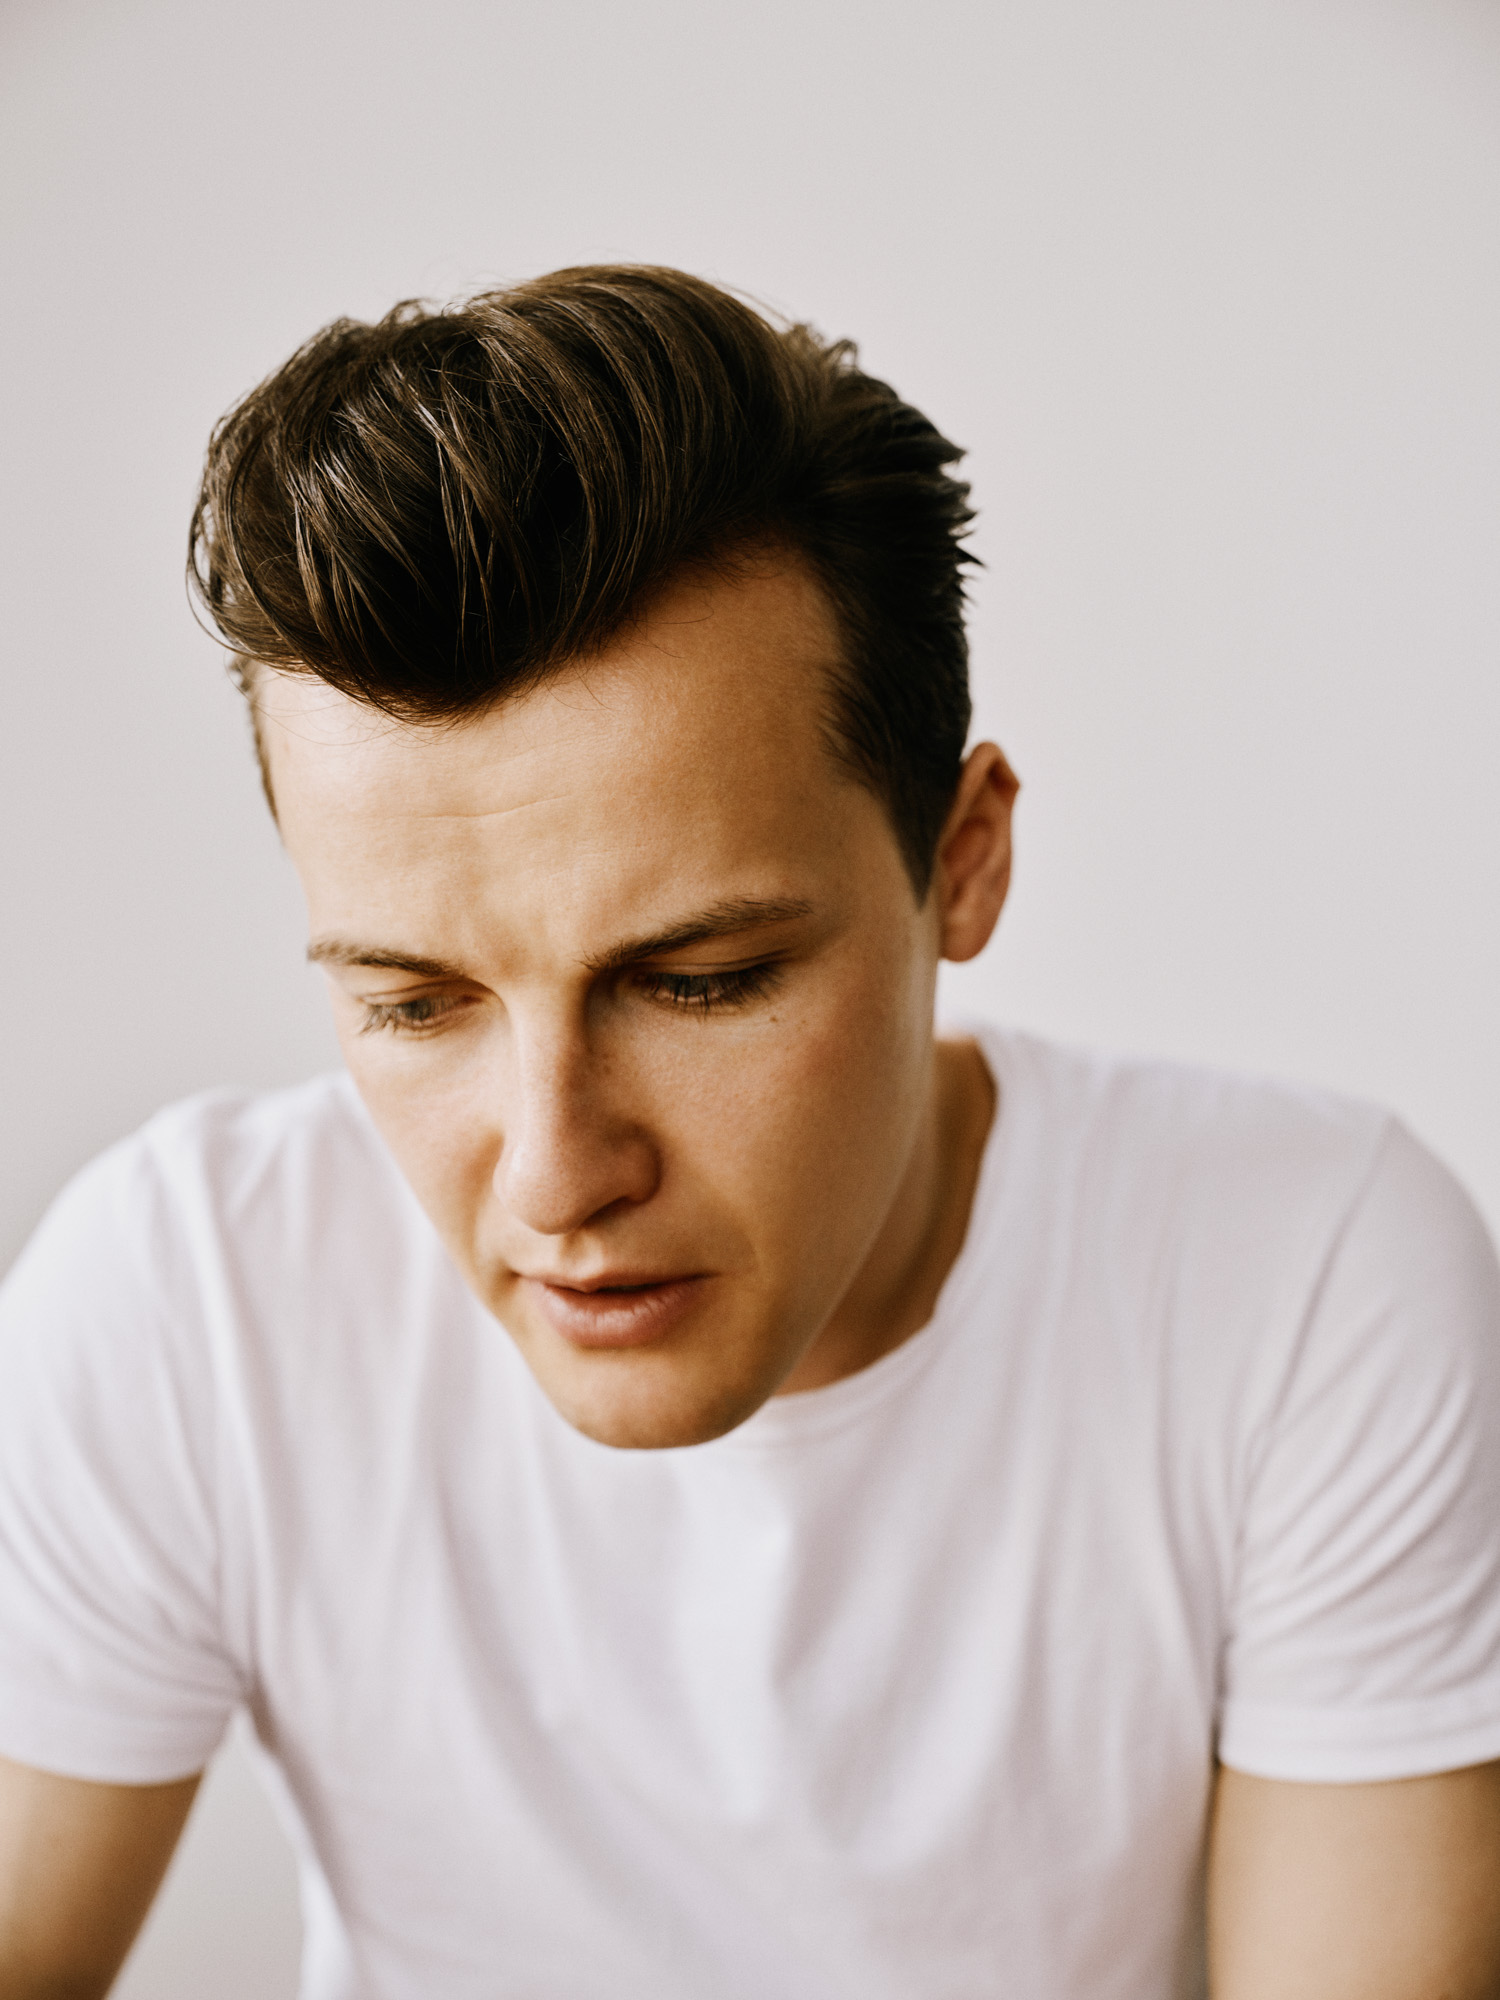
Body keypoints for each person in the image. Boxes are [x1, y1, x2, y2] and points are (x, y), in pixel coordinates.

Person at [2, 265, 1500, 2000]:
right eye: (413, 1005)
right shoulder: (188, 1299)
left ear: (962, 862)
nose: (556, 1176)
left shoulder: (1309, 1277)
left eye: (702, 983)